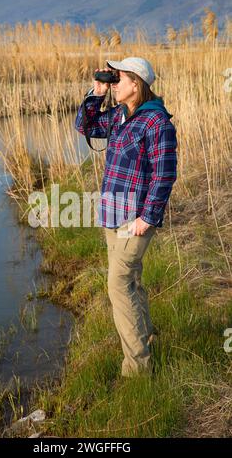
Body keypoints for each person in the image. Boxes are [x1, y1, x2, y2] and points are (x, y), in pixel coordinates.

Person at [75, 57, 178, 377]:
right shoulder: (120, 115)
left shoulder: (157, 123)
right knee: (131, 280)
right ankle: (146, 334)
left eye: (118, 79)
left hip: (135, 219)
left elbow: (164, 176)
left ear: (137, 84)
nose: (114, 83)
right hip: (112, 214)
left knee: (118, 284)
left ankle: (138, 368)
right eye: (113, 78)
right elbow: (86, 127)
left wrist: (147, 218)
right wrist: (96, 93)